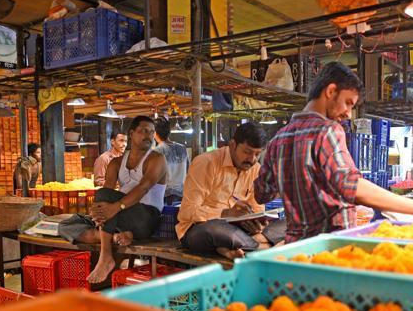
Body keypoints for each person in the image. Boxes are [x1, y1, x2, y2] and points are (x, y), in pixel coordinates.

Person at [255, 61, 413, 242]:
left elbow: (263, 193)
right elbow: (351, 186)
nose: (348, 113)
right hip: (331, 248)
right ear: (330, 92)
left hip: (297, 247)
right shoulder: (327, 130)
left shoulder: (277, 140)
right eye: (347, 103)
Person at [61, 116, 166, 284]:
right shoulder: (116, 162)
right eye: (143, 131)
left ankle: (106, 255)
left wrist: (115, 207)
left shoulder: (156, 159)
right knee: (66, 225)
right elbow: (106, 193)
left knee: (105, 196)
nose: (149, 136)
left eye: (152, 132)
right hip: (122, 218)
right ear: (132, 133)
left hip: (146, 218)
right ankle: (116, 237)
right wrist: (97, 210)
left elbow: (143, 188)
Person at [178, 123, 285, 260]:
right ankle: (264, 247)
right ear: (232, 145)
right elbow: (187, 211)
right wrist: (225, 213)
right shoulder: (206, 163)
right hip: (200, 229)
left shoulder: (256, 169)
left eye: (257, 154)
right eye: (247, 152)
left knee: (290, 224)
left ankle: (235, 248)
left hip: (239, 232)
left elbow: (257, 208)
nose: (252, 159)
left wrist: (258, 225)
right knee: (215, 229)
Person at [153, 117, 189, 204]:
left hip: (165, 195)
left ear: (154, 133)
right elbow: (189, 170)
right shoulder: (182, 148)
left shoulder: (157, 151)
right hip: (182, 194)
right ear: (169, 132)